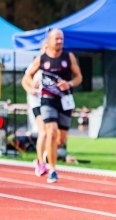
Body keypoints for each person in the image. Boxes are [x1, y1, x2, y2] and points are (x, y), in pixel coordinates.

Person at [23, 29, 82, 184]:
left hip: (65, 101)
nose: (59, 41)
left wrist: (69, 84)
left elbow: (79, 77)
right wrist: (32, 85)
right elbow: (27, 76)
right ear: (49, 40)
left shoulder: (68, 57)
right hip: (47, 100)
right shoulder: (42, 59)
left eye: (61, 39)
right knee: (50, 131)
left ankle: (48, 153)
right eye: (56, 39)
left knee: (60, 139)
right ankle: (52, 170)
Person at [21, 42, 49, 177]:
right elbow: (24, 80)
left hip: (50, 102)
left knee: (53, 134)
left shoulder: (56, 65)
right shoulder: (37, 63)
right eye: (45, 48)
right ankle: (40, 162)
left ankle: (44, 157)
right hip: (36, 102)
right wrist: (31, 88)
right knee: (43, 132)